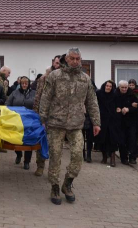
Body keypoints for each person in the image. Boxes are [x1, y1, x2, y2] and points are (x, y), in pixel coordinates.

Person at [39, 48, 100, 205]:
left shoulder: (85, 79)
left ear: (81, 60)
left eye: (77, 59)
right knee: (55, 155)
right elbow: (45, 98)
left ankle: (67, 183)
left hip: (76, 124)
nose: (74, 61)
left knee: (77, 154)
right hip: (56, 123)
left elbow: (92, 101)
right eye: (72, 58)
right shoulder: (55, 76)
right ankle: (54, 186)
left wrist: (96, 122)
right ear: (66, 58)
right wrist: (42, 118)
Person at [32, 55, 61, 176]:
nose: (57, 65)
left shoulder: (65, 78)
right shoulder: (44, 78)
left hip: (59, 116)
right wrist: (36, 112)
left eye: (59, 63)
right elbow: (38, 96)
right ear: (53, 63)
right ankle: (40, 165)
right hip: (44, 114)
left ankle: (53, 170)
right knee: (42, 140)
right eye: (56, 63)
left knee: (56, 145)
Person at [6, 76, 36, 170]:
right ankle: (18, 154)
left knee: (28, 141)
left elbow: (38, 105)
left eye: (26, 83)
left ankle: (27, 162)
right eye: (22, 83)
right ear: (20, 84)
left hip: (30, 121)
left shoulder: (34, 93)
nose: (24, 85)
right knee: (15, 140)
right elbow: (7, 103)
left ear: (28, 84)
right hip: (17, 120)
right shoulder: (14, 93)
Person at [95, 80, 120, 167]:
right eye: (107, 86)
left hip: (112, 120)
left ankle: (112, 159)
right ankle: (104, 157)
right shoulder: (99, 94)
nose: (108, 87)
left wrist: (118, 110)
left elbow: (118, 105)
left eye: (110, 86)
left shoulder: (115, 95)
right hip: (102, 119)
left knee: (112, 139)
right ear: (104, 86)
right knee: (102, 139)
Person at [116, 80, 138, 165]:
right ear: (119, 87)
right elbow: (113, 106)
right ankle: (123, 158)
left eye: (126, 87)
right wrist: (118, 109)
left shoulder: (132, 95)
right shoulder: (115, 95)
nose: (124, 89)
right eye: (122, 87)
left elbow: (137, 107)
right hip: (120, 122)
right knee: (122, 141)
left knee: (132, 140)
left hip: (131, 121)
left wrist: (128, 109)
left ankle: (132, 157)